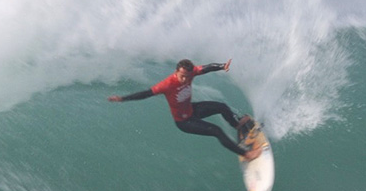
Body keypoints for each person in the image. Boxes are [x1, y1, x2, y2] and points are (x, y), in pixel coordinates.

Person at [108, 59, 261, 160]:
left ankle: (237, 124)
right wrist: (123, 99)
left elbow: (206, 68)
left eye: (188, 76)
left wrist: (222, 66)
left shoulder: (191, 72)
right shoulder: (167, 84)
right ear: (176, 72)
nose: (185, 80)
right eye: (182, 76)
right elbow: (146, 94)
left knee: (222, 107)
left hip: (192, 109)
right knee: (216, 131)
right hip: (184, 122)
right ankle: (247, 154)